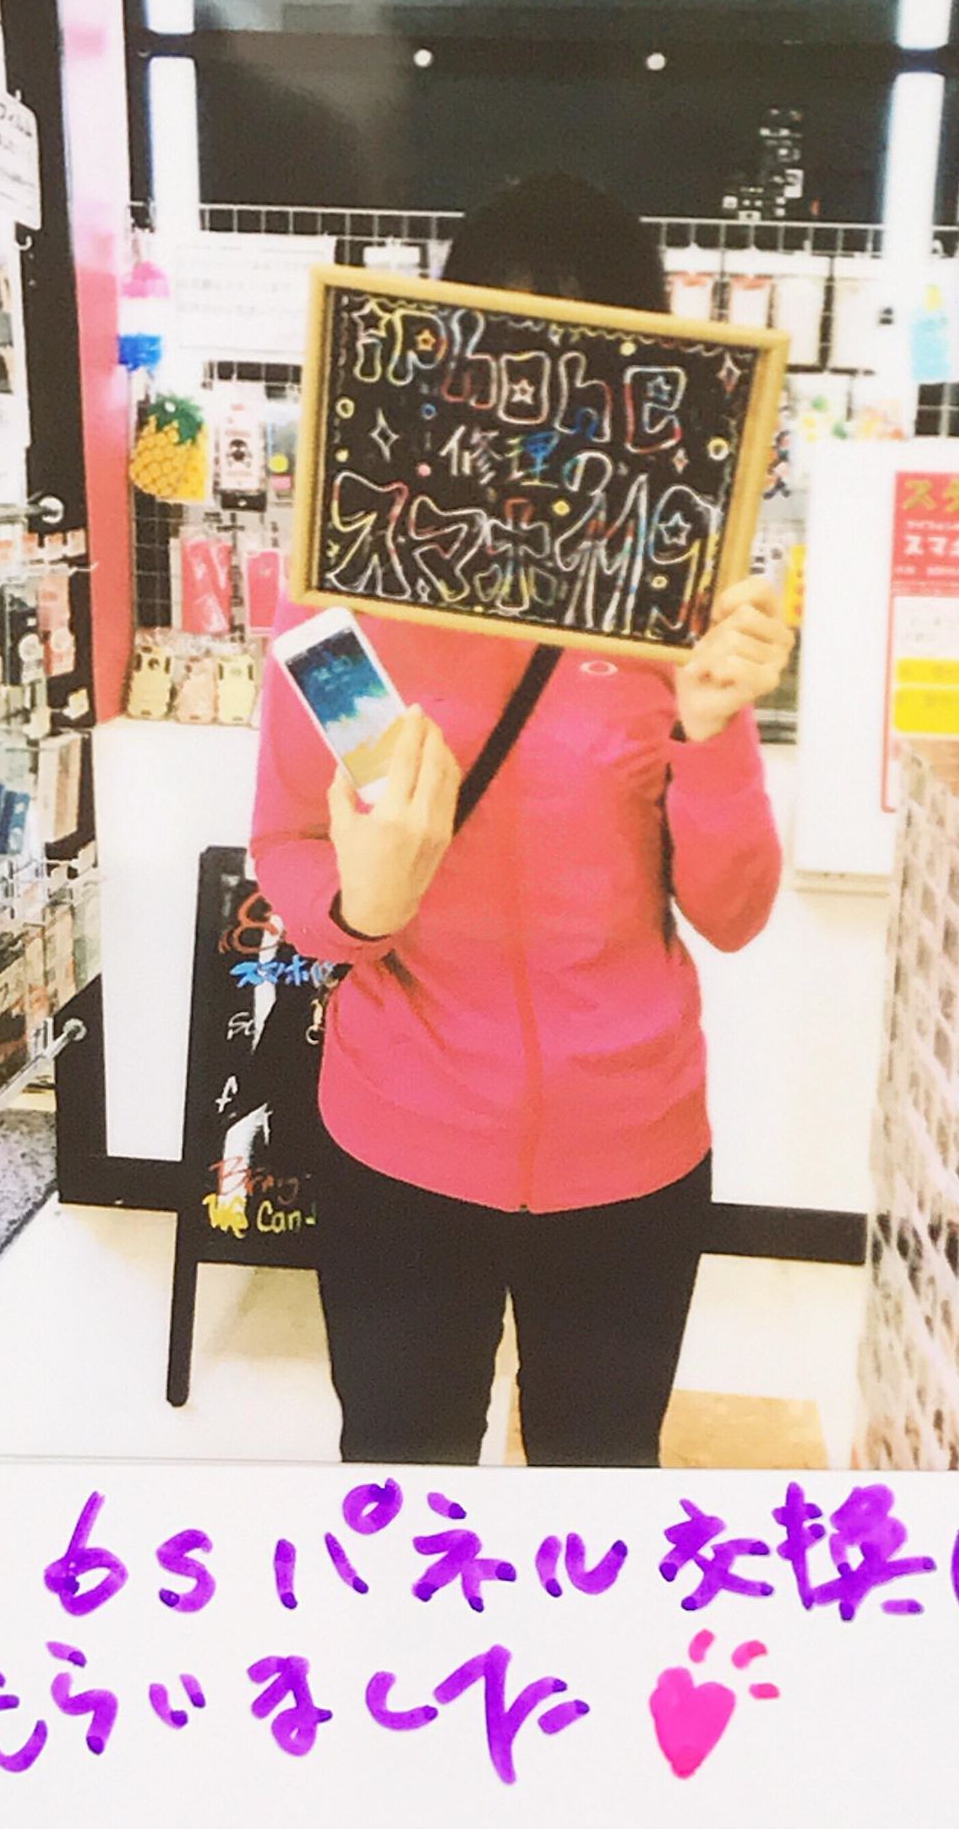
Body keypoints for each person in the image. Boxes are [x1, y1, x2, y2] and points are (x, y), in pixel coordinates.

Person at [251, 172, 791, 1467]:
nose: (542, 416)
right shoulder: (348, 604)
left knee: (600, 1479)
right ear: (443, 368)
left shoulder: (674, 615)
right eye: (503, 357)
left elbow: (734, 912)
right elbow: (292, 854)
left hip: (634, 1148)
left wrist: (716, 728)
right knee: (401, 1470)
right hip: (399, 1138)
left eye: (592, 373)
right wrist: (364, 904)